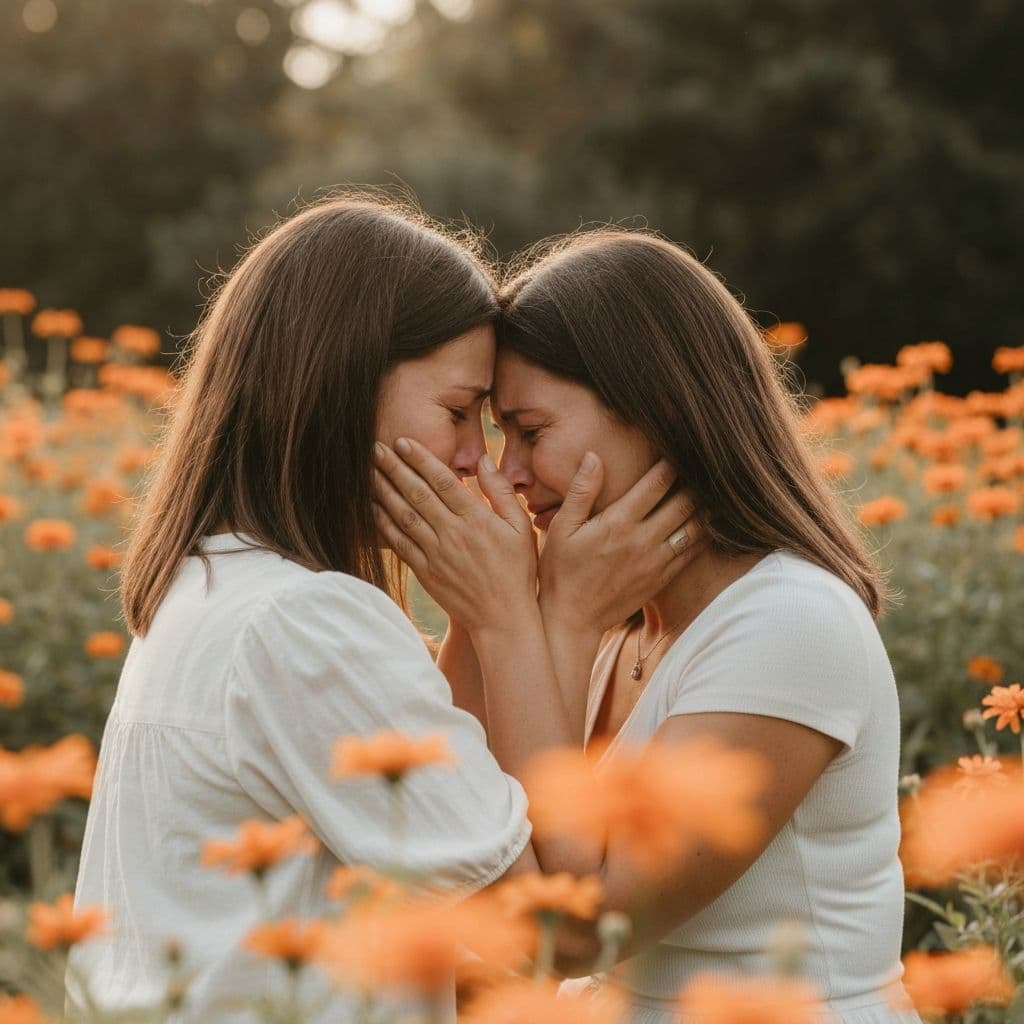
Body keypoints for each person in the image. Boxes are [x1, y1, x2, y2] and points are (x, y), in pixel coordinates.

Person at [68, 196, 698, 1021]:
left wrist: (476, 614)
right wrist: (533, 618)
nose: (478, 460)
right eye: (457, 412)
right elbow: (537, 931)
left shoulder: (218, 585)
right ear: (342, 385)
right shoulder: (308, 624)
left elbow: (445, 811)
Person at [373, 229, 922, 1023]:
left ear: (658, 410)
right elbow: (473, 851)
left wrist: (535, 625)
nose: (509, 472)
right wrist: (487, 610)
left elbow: (573, 932)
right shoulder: (618, 624)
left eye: (531, 430)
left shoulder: (790, 624)